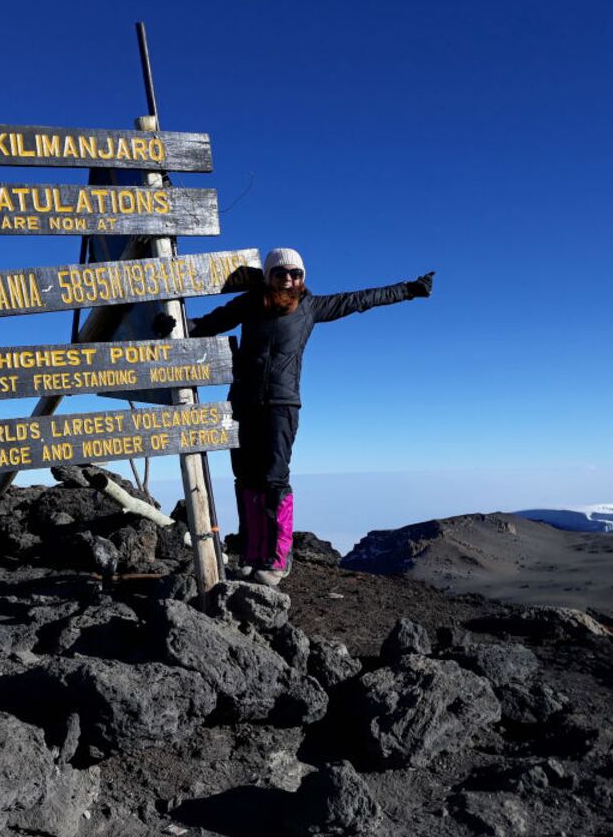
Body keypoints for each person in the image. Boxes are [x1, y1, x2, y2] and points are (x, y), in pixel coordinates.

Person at [157, 248, 433, 586]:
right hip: (242, 403)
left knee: (273, 479)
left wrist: (409, 289)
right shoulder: (249, 303)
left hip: (282, 406)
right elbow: (208, 323)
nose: (289, 279)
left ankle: (276, 558)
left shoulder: (311, 307)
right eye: (281, 273)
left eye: (296, 273)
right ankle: (251, 554)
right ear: (269, 275)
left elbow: (361, 299)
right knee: (245, 478)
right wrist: (172, 326)